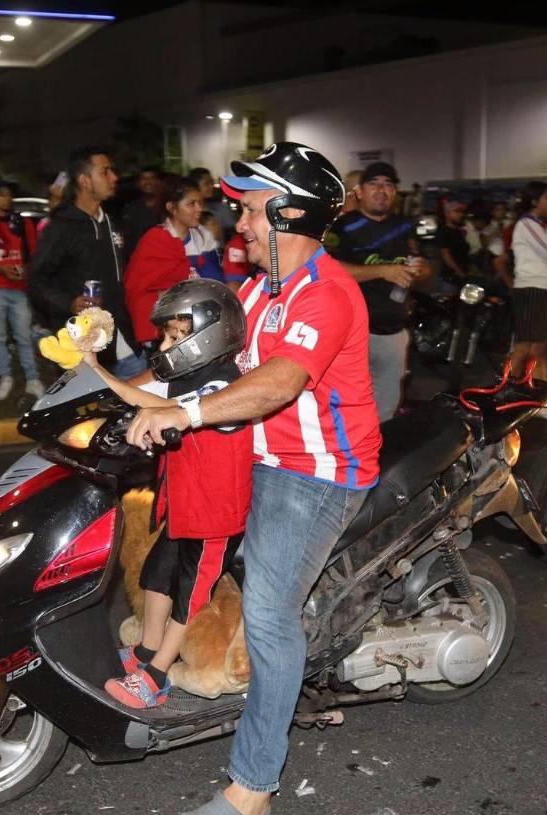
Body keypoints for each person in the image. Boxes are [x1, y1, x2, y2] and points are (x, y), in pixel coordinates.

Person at [124, 142, 382, 815]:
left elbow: (278, 383)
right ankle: (163, 658)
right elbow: (189, 358)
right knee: (174, 542)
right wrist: (104, 391)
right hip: (256, 458)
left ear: (290, 213)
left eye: (250, 211)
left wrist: (186, 410)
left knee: (269, 610)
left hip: (316, 474)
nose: (237, 224)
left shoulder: (328, 294)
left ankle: (253, 784)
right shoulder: (253, 291)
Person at [87, 280, 253, 709]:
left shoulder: (223, 387)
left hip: (215, 515)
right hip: (184, 504)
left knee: (189, 592)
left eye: (175, 336)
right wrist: (94, 370)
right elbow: (149, 398)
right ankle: (145, 650)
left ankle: (158, 673)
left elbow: (160, 407)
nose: (165, 343)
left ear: (210, 336)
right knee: (158, 575)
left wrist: (105, 378)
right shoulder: (190, 376)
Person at [324, 160, 431, 420]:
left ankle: (377, 457)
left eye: (388, 185)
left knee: (386, 405)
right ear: (359, 192)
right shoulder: (342, 227)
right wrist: (381, 270)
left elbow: (426, 266)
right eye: (374, 184)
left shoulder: (405, 226)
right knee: (345, 403)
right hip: (351, 332)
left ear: (395, 193)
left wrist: (420, 269)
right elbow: (326, 269)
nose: (382, 190)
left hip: (393, 330)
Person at [28, 146, 145, 378]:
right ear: (84, 180)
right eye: (105, 172)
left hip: (126, 341)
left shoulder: (112, 222)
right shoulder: (62, 227)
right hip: (85, 350)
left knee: (142, 410)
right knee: (94, 414)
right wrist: (68, 303)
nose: (114, 178)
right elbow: (36, 280)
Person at [124, 177, 224, 344]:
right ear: (172, 207)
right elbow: (137, 290)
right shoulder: (154, 240)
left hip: (203, 327)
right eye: (191, 204)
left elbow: (216, 281)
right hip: (164, 332)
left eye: (200, 202)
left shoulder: (204, 236)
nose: (200, 209)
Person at [0, 180, 44, 401]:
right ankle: (5, 377)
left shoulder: (23, 224)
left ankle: (32, 379)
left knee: (24, 336)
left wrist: (26, 271)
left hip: (19, 289)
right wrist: (3, 271)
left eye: (9, 195)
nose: (7, 199)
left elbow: (34, 254)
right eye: (1, 195)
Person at [508, 181, 547, 419]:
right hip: (530, 288)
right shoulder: (527, 223)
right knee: (526, 346)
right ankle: (508, 392)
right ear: (535, 201)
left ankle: (536, 398)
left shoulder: (543, 225)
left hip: (541, 289)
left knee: (538, 347)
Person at [121, 166, 164, 259]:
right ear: (138, 183)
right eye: (144, 179)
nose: (148, 182)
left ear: (158, 182)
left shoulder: (167, 207)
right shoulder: (131, 209)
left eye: (152, 178)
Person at [189, 167, 238, 236]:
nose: (211, 186)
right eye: (206, 184)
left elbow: (233, 233)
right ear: (195, 186)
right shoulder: (189, 213)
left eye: (211, 182)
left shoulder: (221, 210)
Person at [435, 198, 472, 284]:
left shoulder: (458, 231)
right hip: (450, 277)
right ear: (447, 214)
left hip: (462, 273)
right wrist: (459, 272)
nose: (460, 215)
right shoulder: (443, 231)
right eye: (457, 212)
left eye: (462, 212)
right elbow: (445, 255)